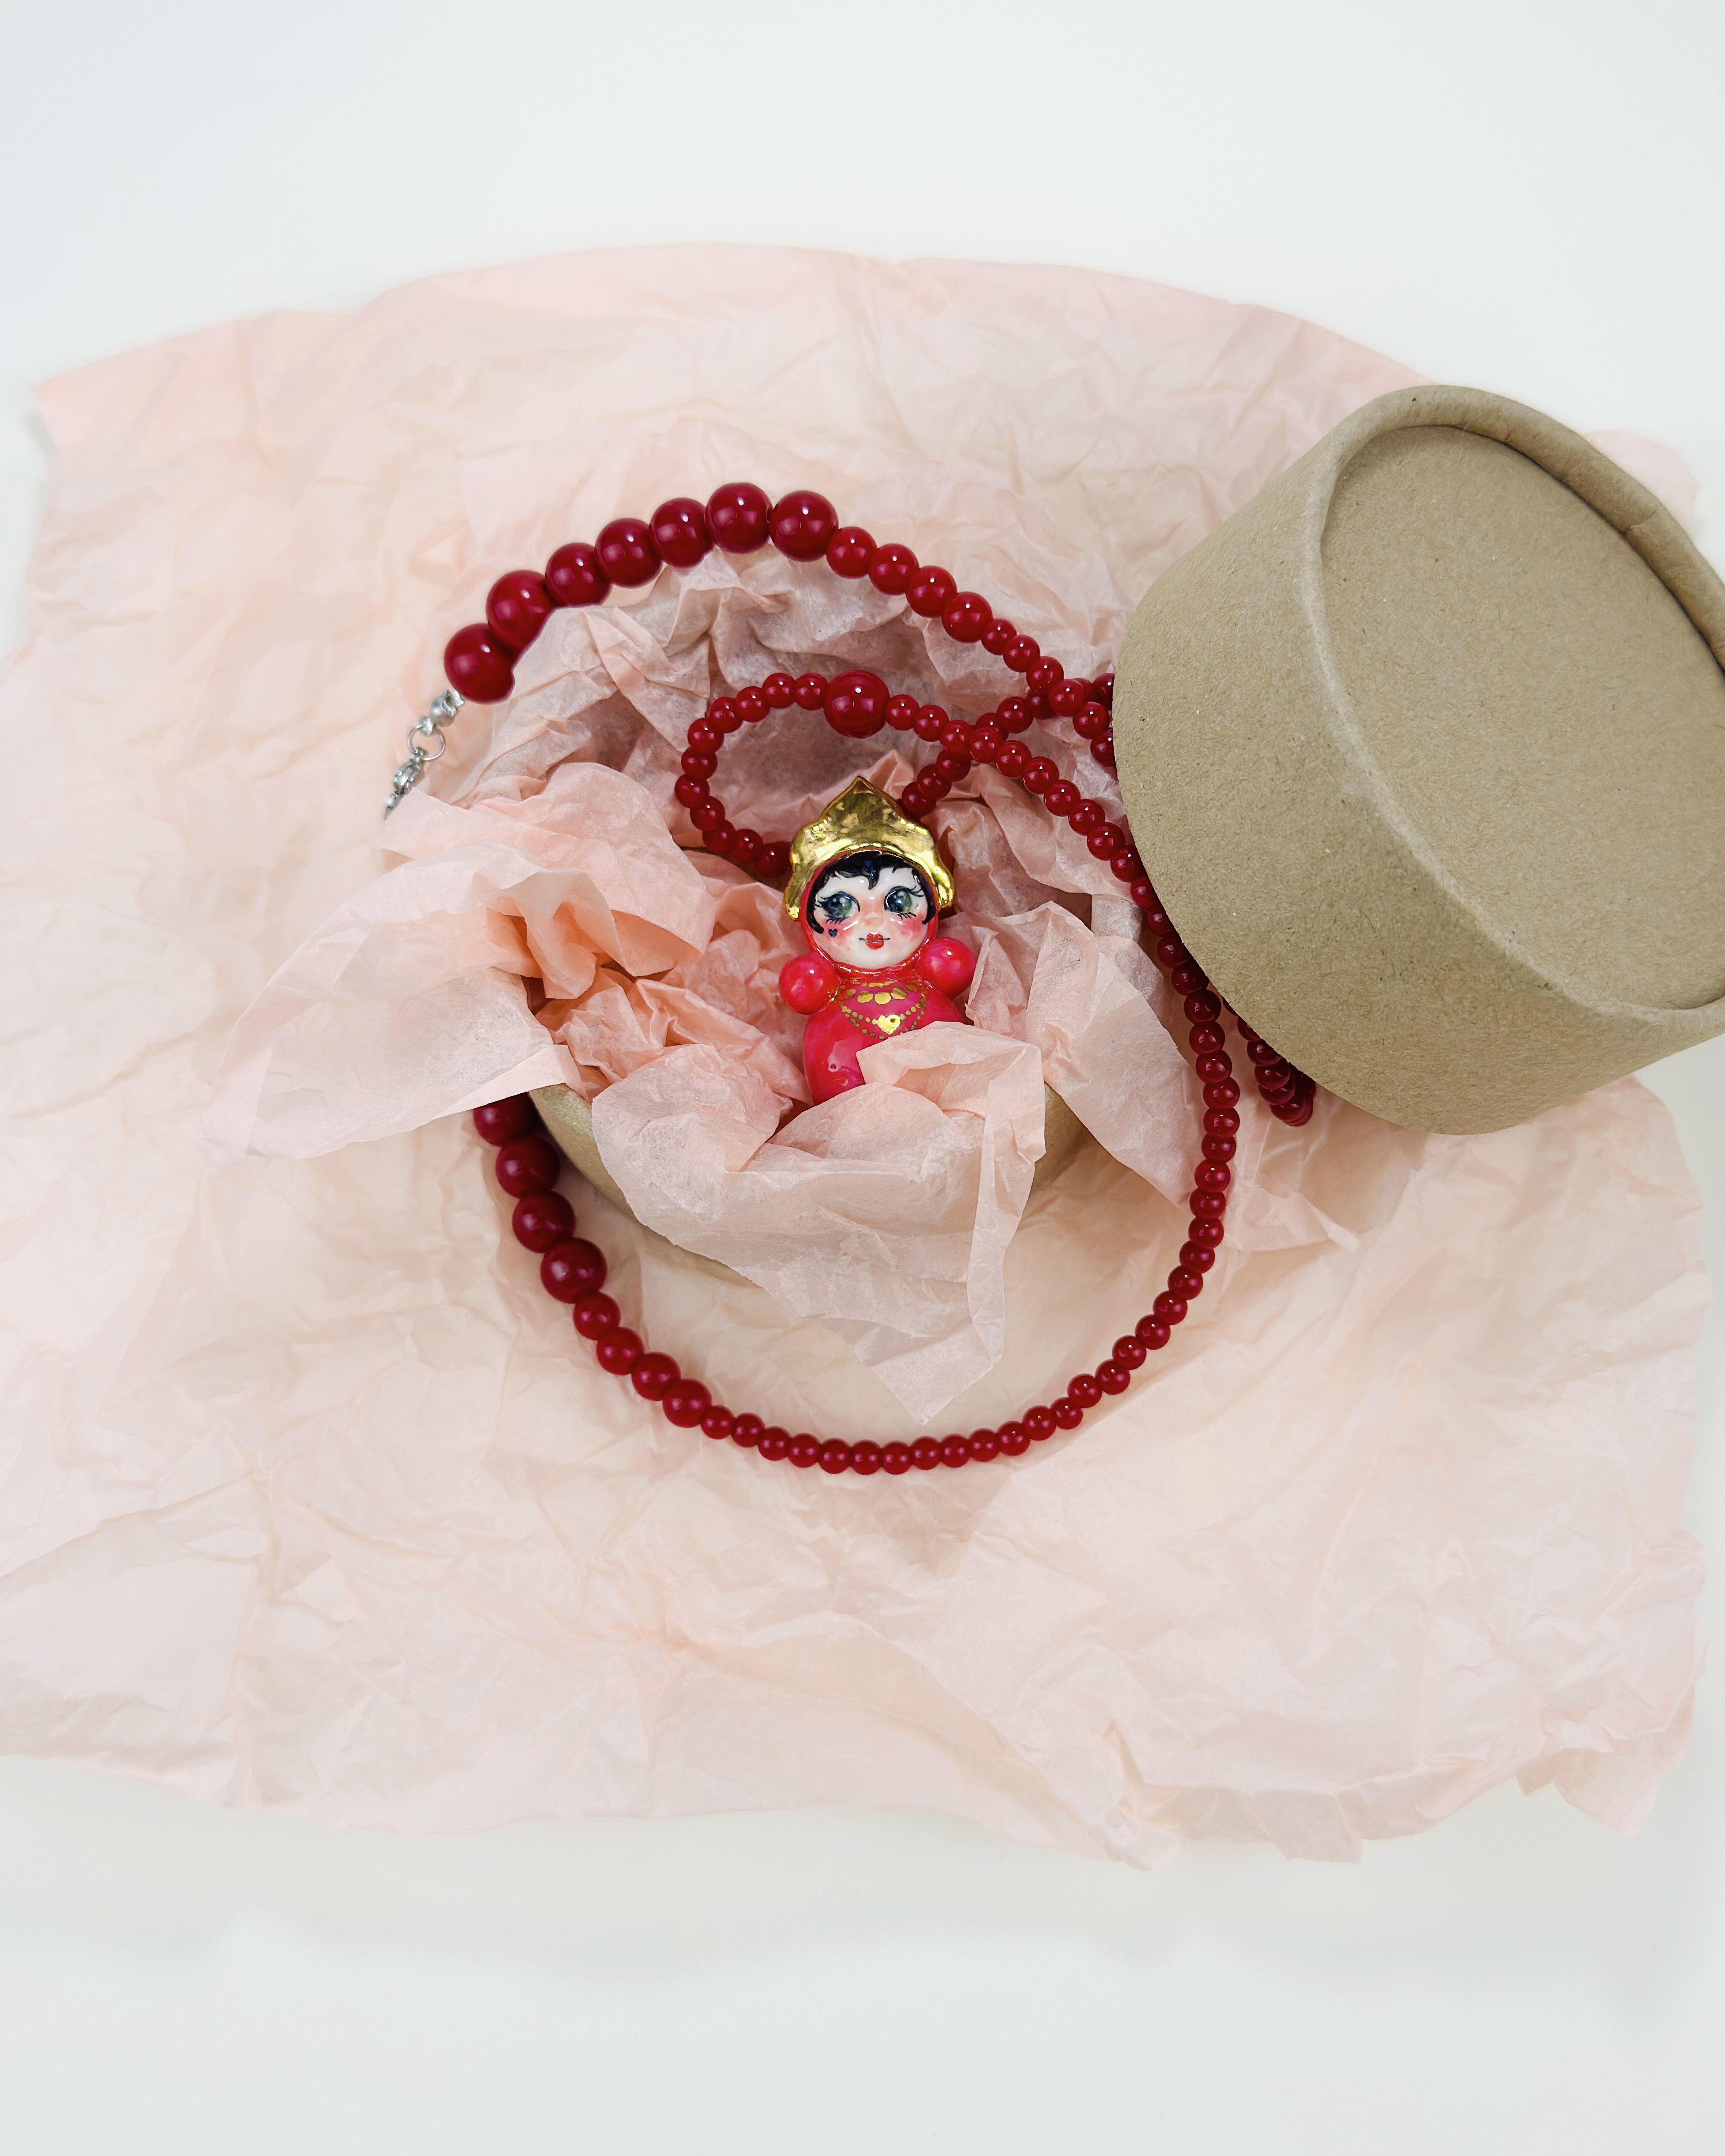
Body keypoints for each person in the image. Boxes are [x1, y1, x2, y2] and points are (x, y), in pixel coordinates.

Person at [777, 779, 975, 1103]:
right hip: (849, 1106)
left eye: (898, 902)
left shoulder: (930, 971)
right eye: (840, 906)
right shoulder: (823, 985)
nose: (872, 920)